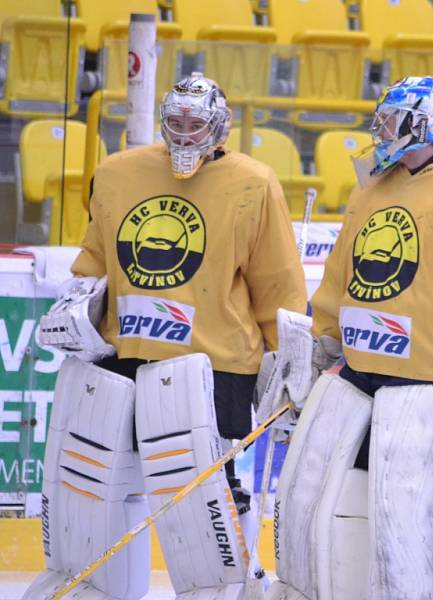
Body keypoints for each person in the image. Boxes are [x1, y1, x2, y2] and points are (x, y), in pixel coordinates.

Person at [24, 73, 307, 599]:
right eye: (174, 122)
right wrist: (80, 301)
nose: (183, 133)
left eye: (195, 123)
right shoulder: (117, 172)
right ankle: (99, 590)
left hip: (215, 366)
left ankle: (221, 589)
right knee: (98, 490)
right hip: (122, 358)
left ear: (218, 127)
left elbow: (278, 284)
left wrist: (289, 363)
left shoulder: (254, 182)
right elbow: (95, 257)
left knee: (208, 500)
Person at [257, 76, 433, 600]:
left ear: (423, 124)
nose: (381, 132)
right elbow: (339, 280)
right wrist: (314, 354)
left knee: (408, 531)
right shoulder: (371, 185)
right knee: (324, 512)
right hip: (355, 382)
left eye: (391, 122)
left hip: (426, 388)